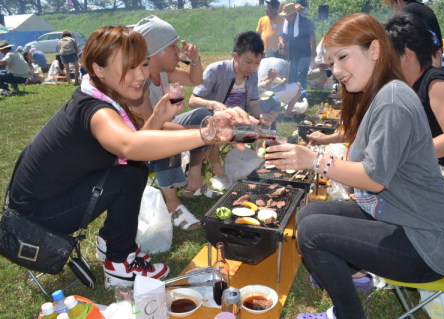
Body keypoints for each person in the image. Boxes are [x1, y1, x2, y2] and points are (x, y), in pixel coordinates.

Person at [7, 25, 256, 288]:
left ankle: (112, 244)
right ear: (98, 68)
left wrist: (159, 118)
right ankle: (118, 264)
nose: (140, 76)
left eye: (144, 65)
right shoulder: (94, 110)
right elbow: (129, 145)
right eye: (129, 67)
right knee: (129, 175)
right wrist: (209, 134)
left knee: (134, 170)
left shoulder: (103, 95)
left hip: (49, 201)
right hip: (37, 219)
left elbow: (139, 144)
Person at [264, 13, 444, 319]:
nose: (336, 70)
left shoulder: (393, 99)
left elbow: (374, 178)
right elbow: (371, 168)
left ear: (375, 50)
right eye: (332, 61)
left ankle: (347, 315)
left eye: (343, 57)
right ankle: (356, 275)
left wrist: (315, 160)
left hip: (428, 243)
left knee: (312, 232)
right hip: (401, 218)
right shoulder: (381, 94)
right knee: (308, 213)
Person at [385, 12, 444, 205]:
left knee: (379, 178)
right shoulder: (411, 83)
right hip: (433, 166)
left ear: (407, 54)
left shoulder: (436, 81)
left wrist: (399, 154)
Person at [133, 15, 215, 232]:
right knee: (168, 139)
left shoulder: (162, 72)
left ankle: (193, 181)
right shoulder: (138, 82)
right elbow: (153, 127)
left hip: (165, 128)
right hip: (140, 147)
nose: (178, 51)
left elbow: (195, 80)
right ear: (156, 50)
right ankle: (172, 203)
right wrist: (202, 133)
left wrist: (195, 59)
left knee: (202, 114)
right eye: (173, 46)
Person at [189, 31, 276, 189]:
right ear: (236, 56)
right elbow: (193, 100)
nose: (253, 68)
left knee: (270, 136)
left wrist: (261, 115)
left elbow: (254, 105)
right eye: (248, 62)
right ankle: (218, 170)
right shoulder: (216, 70)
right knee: (217, 125)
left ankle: (255, 169)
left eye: (257, 63)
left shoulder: (253, 75)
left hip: (239, 123)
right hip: (213, 123)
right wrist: (213, 105)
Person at [383, 0, 443, 65]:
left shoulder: (406, 11)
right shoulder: (427, 9)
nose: (392, 7)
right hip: (436, 58)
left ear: (398, 1)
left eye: (392, 3)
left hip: (423, 62)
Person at [278, 2, 316, 93]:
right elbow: (281, 35)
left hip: (304, 53)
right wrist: (282, 42)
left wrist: (314, 50)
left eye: (287, 15)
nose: (286, 17)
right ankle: (291, 95)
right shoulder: (286, 23)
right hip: (291, 54)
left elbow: (312, 36)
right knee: (292, 76)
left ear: (293, 14)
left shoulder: (305, 21)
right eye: (285, 16)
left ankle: (302, 95)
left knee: (301, 76)